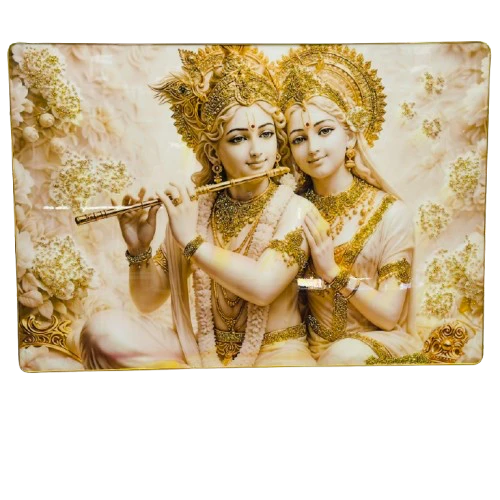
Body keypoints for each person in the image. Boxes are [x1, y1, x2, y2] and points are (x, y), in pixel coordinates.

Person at [79, 46, 316, 368]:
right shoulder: (198, 211)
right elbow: (147, 301)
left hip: (277, 353)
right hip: (204, 350)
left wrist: (192, 242)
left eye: (266, 134)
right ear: (214, 152)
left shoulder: (298, 210)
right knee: (102, 331)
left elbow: (263, 287)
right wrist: (139, 250)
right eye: (238, 139)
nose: (257, 151)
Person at [273, 45, 422, 365]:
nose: (312, 148)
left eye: (325, 131)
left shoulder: (390, 213)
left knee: (343, 355)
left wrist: (331, 272)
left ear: (350, 137)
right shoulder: (289, 210)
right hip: (306, 347)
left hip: (373, 344)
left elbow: (388, 315)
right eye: (299, 139)